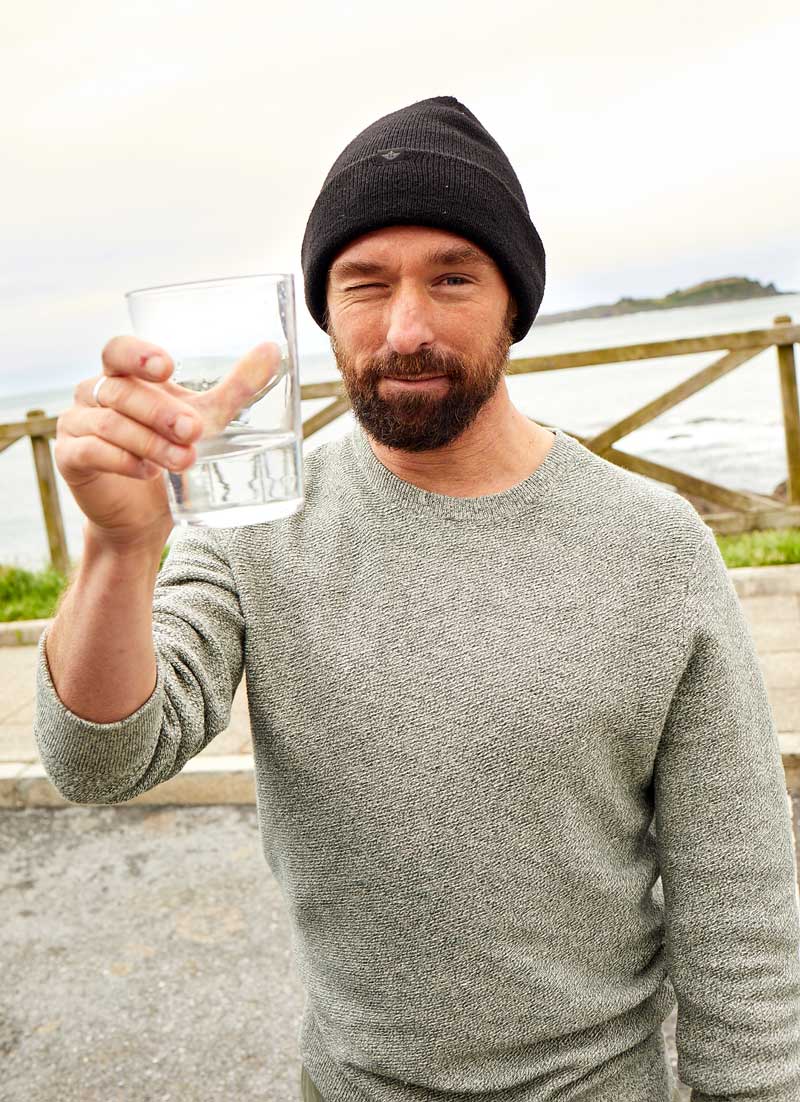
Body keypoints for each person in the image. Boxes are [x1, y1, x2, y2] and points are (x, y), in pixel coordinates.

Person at [35, 96, 800, 1102]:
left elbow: (736, 888)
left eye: (452, 278)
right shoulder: (255, 528)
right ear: (321, 314)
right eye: (364, 284)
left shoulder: (652, 545)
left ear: (514, 302)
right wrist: (118, 549)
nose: (405, 329)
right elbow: (100, 763)